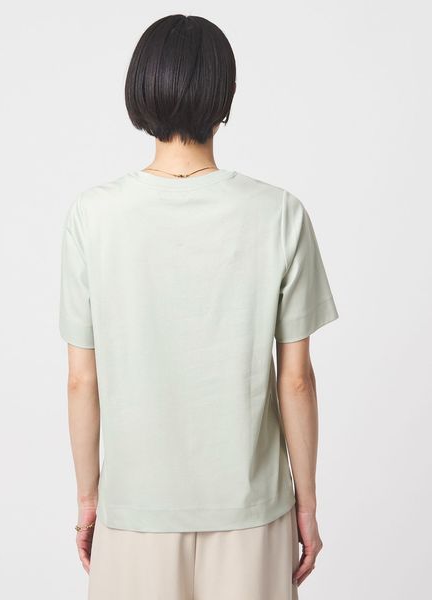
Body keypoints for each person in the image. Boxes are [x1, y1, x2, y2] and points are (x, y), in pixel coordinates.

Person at [59, 13, 339, 600]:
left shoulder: (93, 216)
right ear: (225, 95)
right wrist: (307, 504)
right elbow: (296, 380)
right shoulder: (280, 214)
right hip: (252, 509)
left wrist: (89, 500)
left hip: (134, 510)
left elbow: (82, 380)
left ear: (141, 89)